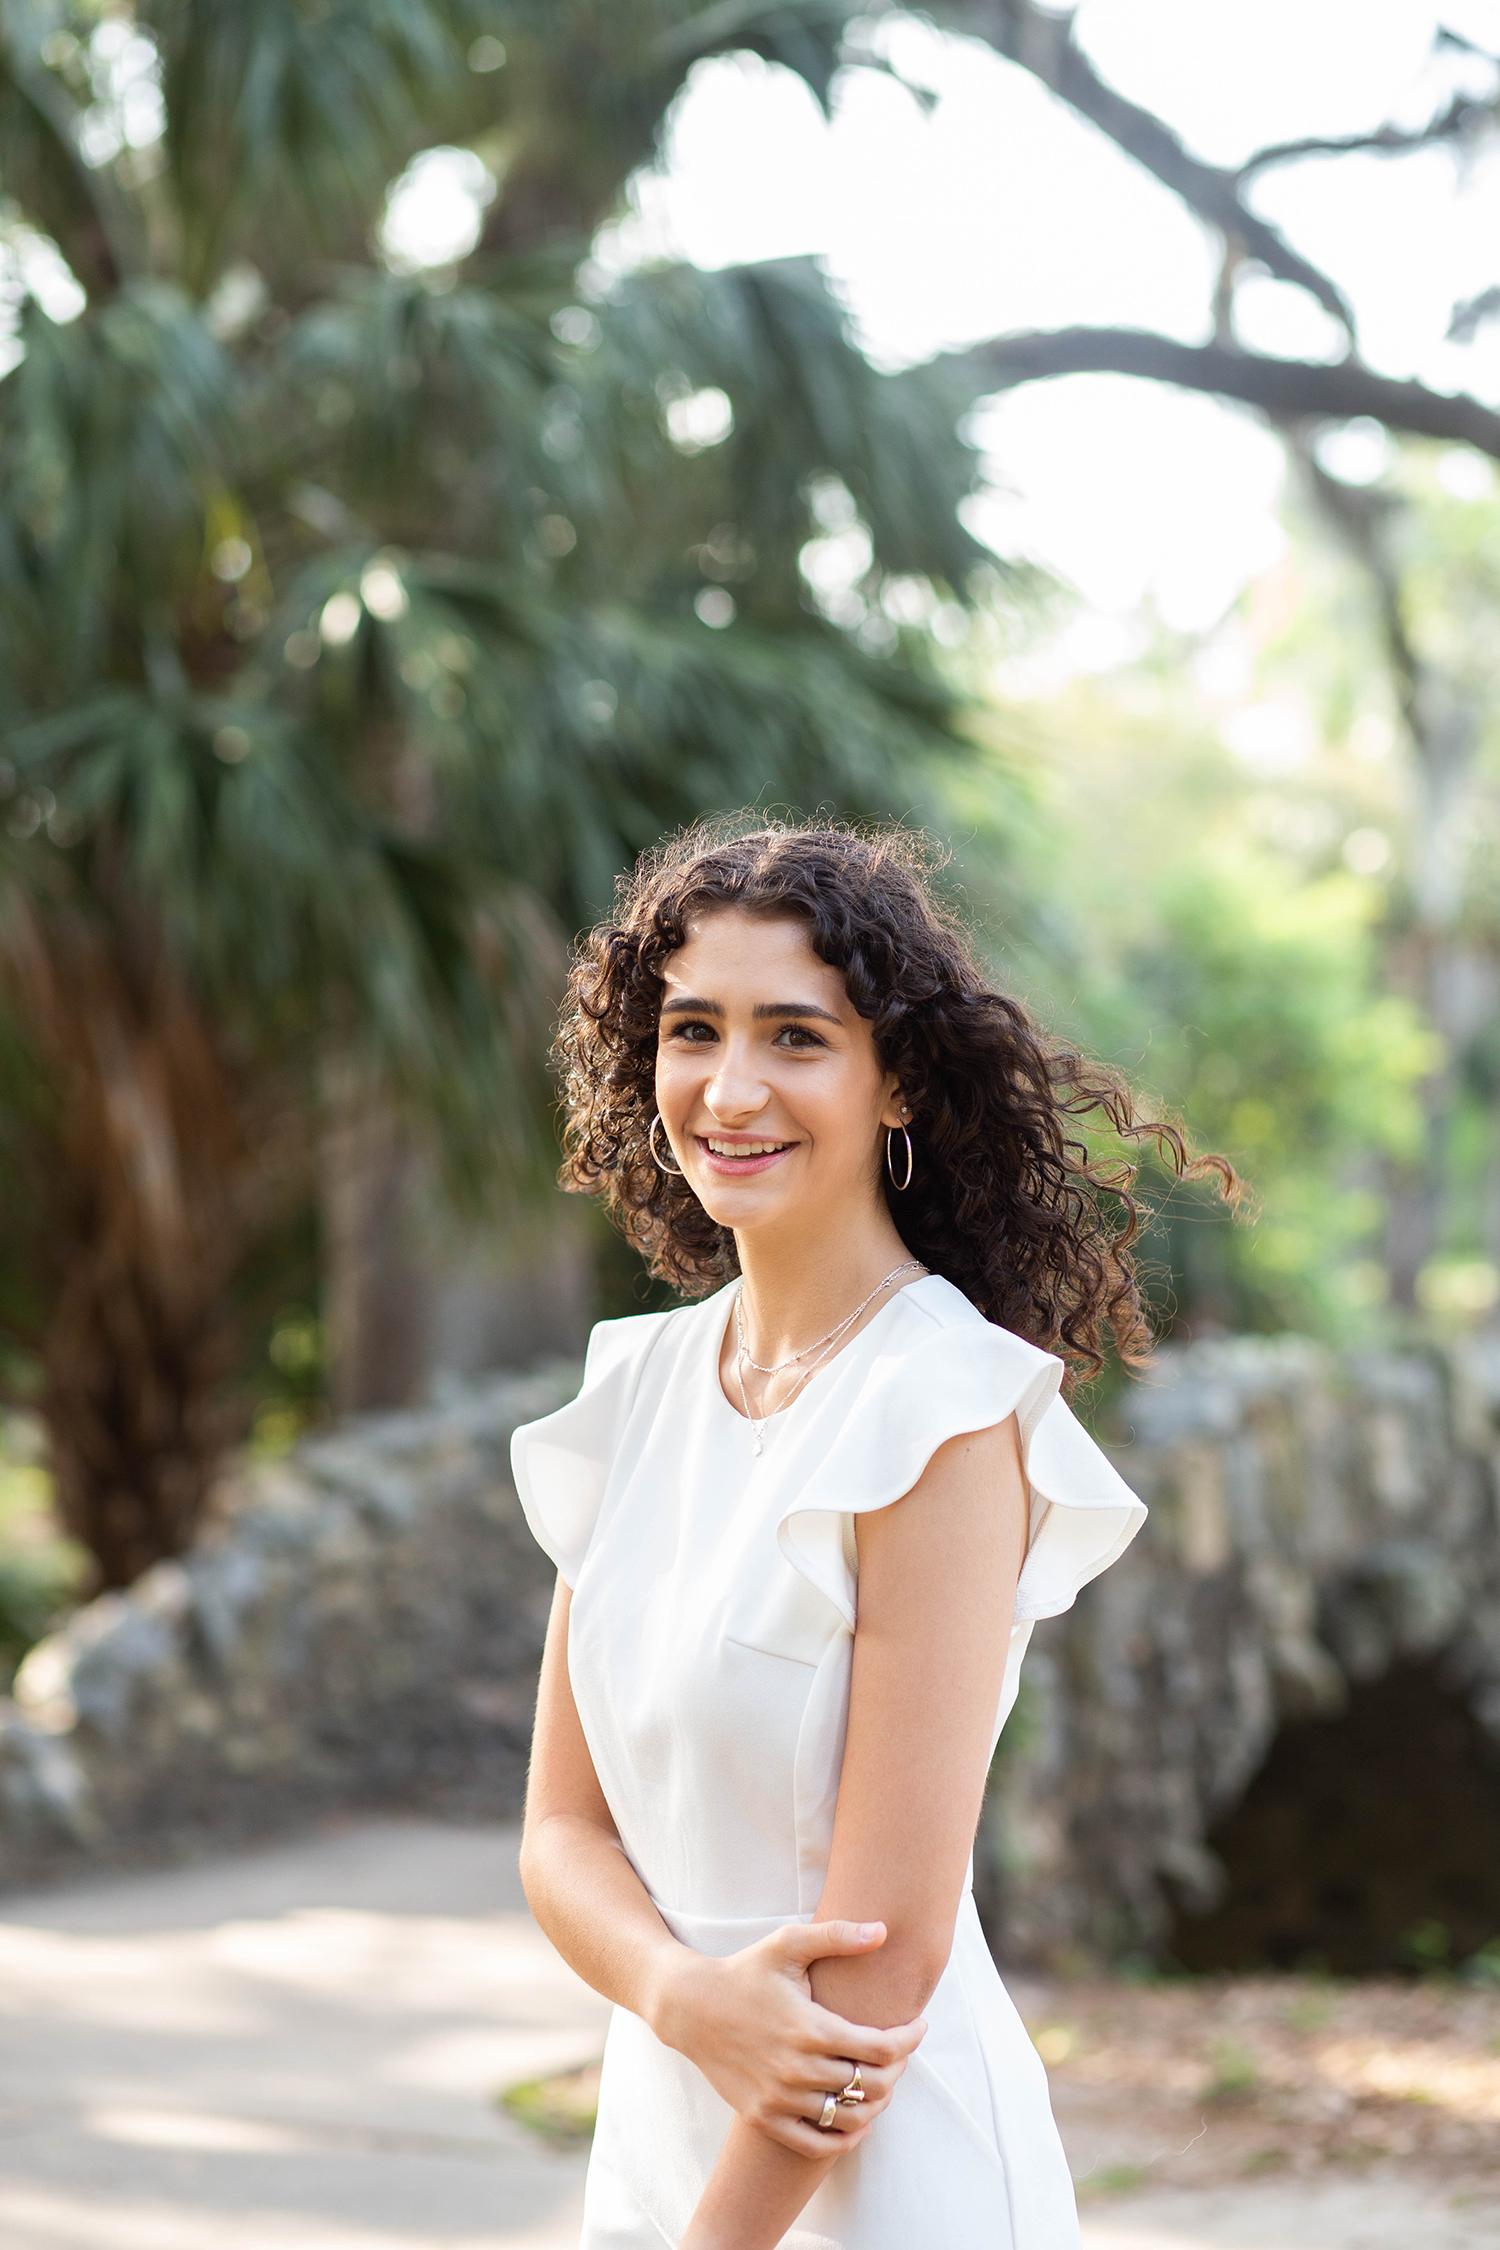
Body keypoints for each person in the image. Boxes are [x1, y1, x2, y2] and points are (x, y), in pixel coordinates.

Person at [511, 822, 1233, 2250]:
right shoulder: (635, 1391)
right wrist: (681, 1995)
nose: (730, 1088)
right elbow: (558, 1831)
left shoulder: (945, 1410)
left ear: (893, 1072)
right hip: (662, 2135)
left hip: (889, 2175)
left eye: (796, 1036)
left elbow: (884, 1959)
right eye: (692, 1030)